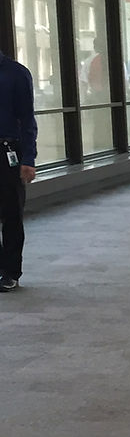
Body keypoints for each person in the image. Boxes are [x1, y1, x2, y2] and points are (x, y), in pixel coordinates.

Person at [0, 49, 37, 293]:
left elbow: (27, 119)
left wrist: (28, 158)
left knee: (11, 213)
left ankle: (11, 271)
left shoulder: (16, 74)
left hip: (6, 152)